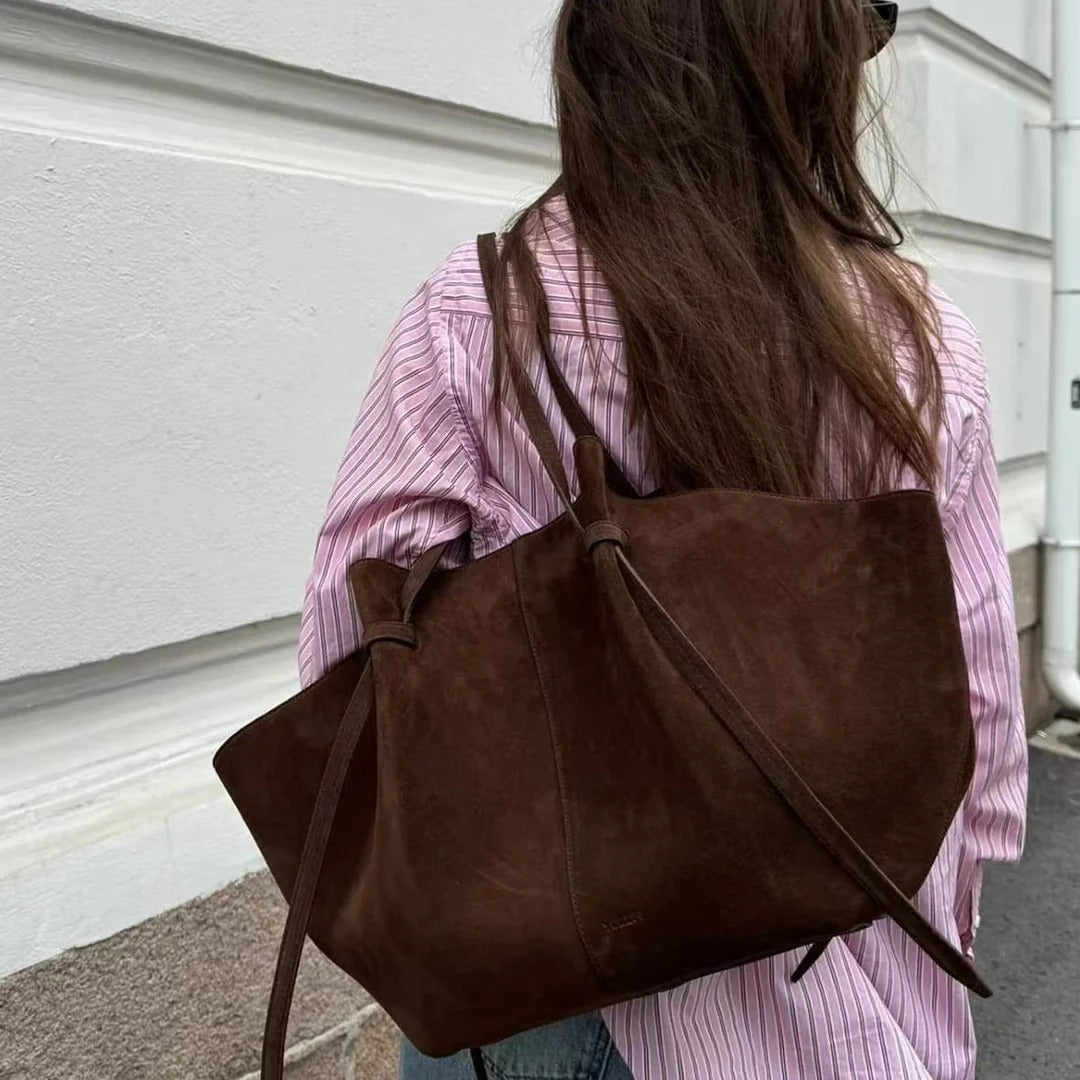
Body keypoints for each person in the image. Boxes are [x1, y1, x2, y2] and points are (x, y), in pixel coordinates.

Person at [297, 1, 1029, 1077]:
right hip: (841, 993)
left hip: (541, 987)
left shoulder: (481, 314)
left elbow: (347, 661)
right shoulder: (917, 345)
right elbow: (978, 720)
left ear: (599, 57)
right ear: (807, 71)